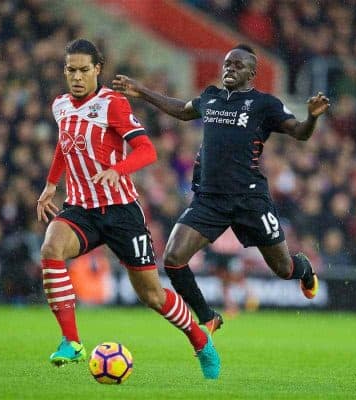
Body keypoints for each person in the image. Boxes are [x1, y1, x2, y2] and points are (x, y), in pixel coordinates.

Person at [112, 44, 330, 333]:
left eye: (238, 65)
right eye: (227, 64)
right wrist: (142, 92)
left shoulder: (265, 104)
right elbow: (181, 110)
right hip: (209, 200)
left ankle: (303, 269)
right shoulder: (210, 98)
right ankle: (208, 316)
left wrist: (312, 117)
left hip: (250, 199)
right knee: (173, 259)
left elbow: (299, 133)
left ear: (252, 73)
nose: (230, 69)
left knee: (283, 269)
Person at [36, 39, 220, 379]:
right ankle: (71, 341)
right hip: (80, 209)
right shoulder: (60, 105)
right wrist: (51, 184)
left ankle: (199, 340)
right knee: (51, 247)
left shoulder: (113, 104)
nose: (76, 76)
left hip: (121, 211)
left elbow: (147, 151)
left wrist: (116, 170)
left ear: (97, 69)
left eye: (83, 70)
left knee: (151, 295)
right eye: (70, 70)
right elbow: (65, 145)